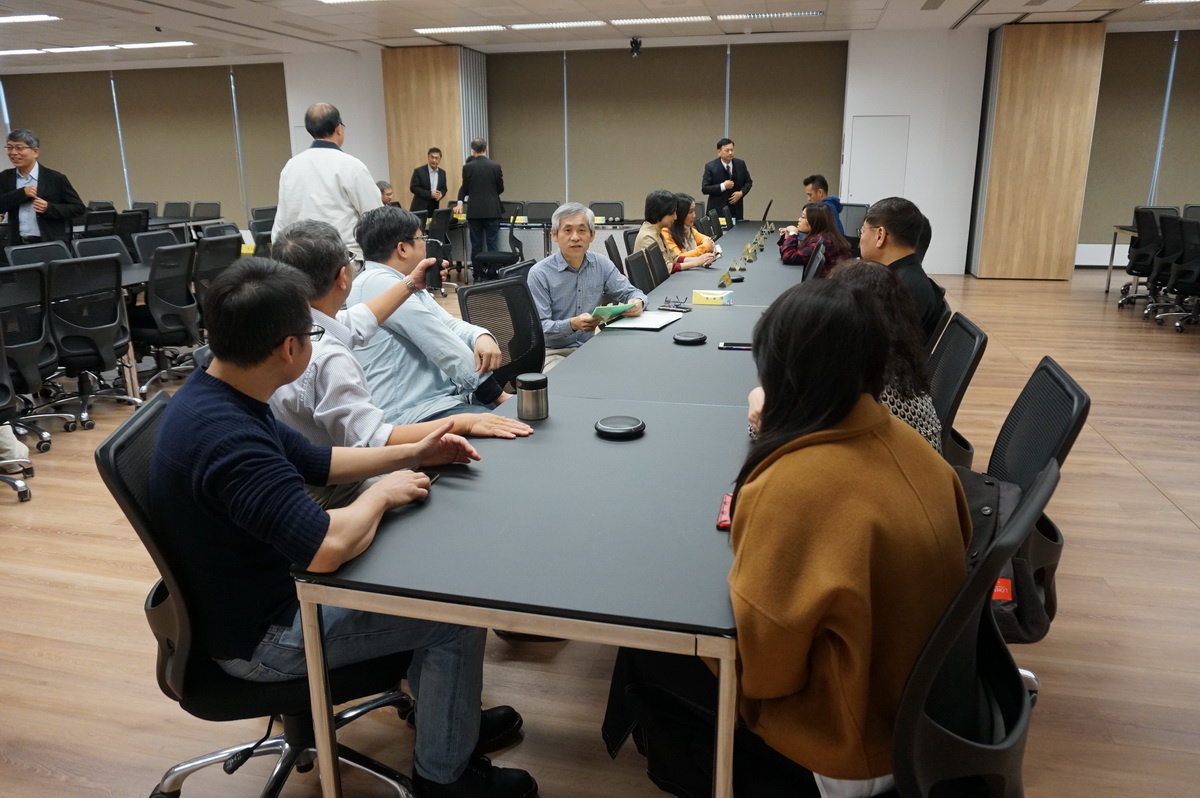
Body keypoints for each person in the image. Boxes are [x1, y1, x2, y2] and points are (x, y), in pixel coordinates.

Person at [148, 257, 538, 798]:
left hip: (245, 601)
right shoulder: (228, 440)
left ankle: (447, 719)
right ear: (291, 348)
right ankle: (445, 777)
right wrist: (381, 493)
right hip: (265, 639)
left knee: (423, 570)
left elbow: (316, 461)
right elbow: (327, 548)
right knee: (453, 615)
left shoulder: (217, 389)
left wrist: (415, 452)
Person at [603, 279, 970, 798]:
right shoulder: (920, 453)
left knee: (646, 640)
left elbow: (765, 676)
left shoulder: (793, 486)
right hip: (921, 722)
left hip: (846, 749)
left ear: (781, 372)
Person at [268, 220, 534, 506]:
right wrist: (466, 422)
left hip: (311, 471)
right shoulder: (329, 357)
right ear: (342, 277)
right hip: (333, 487)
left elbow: (361, 319)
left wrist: (410, 284)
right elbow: (374, 441)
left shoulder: (299, 325)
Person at [349, 206, 509, 424]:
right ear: (402, 248)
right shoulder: (377, 283)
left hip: (442, 401)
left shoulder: (403, 282)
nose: (426, 244)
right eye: (421, 238)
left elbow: (446, 323)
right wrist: (496, 394)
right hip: (413, 413)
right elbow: (437, 339)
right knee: (513, 428)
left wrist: (480, 335)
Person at [527, 203, 648, 370]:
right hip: (553, 352)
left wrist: (638, 302)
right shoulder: (539, 273)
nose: (575, 237)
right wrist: (572, 324)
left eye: (582, 230)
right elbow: (540, 327)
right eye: (567, 230)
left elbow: (631, 292)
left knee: (634, 366)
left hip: (590, 346)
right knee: (563, 382)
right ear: (554, 235)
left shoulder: (601, 264)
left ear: (592, 235)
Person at [271, 103, 382, 265]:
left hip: (301, 260)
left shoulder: (291, 166)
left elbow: (281, 220)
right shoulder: (351, 165)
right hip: (343, 259)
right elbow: (375, 216)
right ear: (339, 128)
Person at [858, 197, 946, 342]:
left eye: (862, 231)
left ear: (880, 235)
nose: (860, 239)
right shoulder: (909, 277)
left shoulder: (897, 288)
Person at [0, 129, 84, 250]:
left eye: (19, 148)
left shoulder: (55, 178)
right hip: (17, 245)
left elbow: (78, 208)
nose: (13, 153)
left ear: (35, 152)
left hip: (50, 243)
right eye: (9, 148)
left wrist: (49, 208)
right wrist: (22, 193)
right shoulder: (5, 177)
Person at [453, 139, 504, 263]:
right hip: (492, 210)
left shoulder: (467, 167)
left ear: (473, 150)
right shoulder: (495, 166)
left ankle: (478, 272)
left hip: (474, 211)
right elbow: (501, 188)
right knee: (492, 244)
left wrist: (461, 201)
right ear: (486, 149)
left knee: (476, 244)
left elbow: (465, 188)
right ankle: (492, 271)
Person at [776, 202, 852, 277]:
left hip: (829, 283)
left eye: (803, 217)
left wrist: (793, 234)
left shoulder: (821, 240)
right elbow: (787, 253)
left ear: (815, 221)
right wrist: (788, 237)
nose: (799, 219)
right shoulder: (822, 236)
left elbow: (789, 257)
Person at [662, 193, 718, 272]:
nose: (694, 215)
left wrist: (708, 246)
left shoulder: (688, 228)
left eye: (694, 211)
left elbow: (707, 239)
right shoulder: (666, 232)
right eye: (690, 212)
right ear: (680, 214)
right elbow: (679, 258)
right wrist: (705, 248)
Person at [701, 138, 752, 221]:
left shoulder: (740, 164)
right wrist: (723, 186)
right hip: (717, 211)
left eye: (732, 150)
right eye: (727, 150)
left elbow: (748, 182)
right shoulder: (710, 167)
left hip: (736, 210)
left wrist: (741, 193)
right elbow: (705, 188)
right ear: (719, 152)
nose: (730, 153)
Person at [633, 189, 677, 262]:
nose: (675, 217)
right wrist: (695, 262)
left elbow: (674, 257)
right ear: (661, 212)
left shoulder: (658, 232)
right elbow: (664, 266)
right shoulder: (647, 237)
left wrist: (696, 261)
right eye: (672, 213)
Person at [410, 147, 448, 216]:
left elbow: (444, 188)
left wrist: (441, 194)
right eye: (432, 157)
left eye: (436, 158)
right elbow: (413, 188)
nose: (434, 160)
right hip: (420, 208)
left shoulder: (442, 173)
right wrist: (430, 194)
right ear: (428, 157)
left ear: (440, 159)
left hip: (434, 207)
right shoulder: (419, 171)